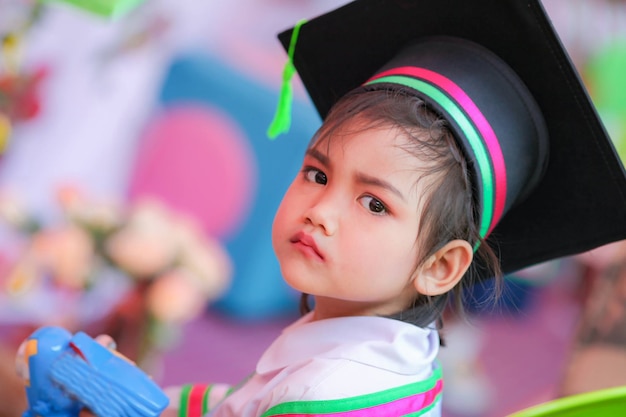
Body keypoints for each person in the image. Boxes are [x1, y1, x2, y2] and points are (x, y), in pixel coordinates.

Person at [90, 0, 626, 416]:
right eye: (317, 174)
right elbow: (239, 400)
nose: (321, 209)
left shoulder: (331, 394)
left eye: (373, 203)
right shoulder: (392, 356)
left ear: (440, 265)